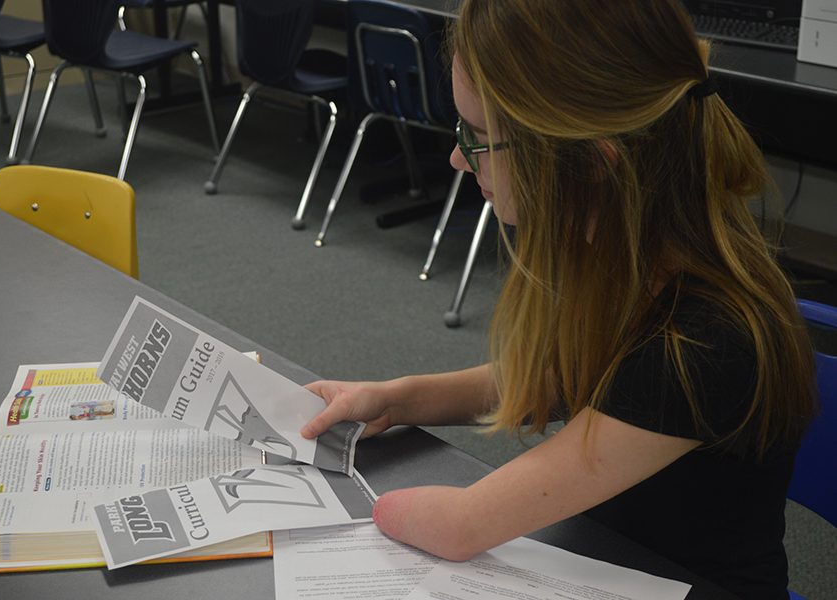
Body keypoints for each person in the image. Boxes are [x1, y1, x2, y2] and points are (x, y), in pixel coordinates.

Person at [301, 1, 817, 598]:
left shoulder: (701, 340)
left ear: (590, 162)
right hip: (603, 562)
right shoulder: (625, 251)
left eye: (480, 138)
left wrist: (332, 509)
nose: (456, 159)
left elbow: (460, 526)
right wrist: (396, 399)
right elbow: (557, 376)